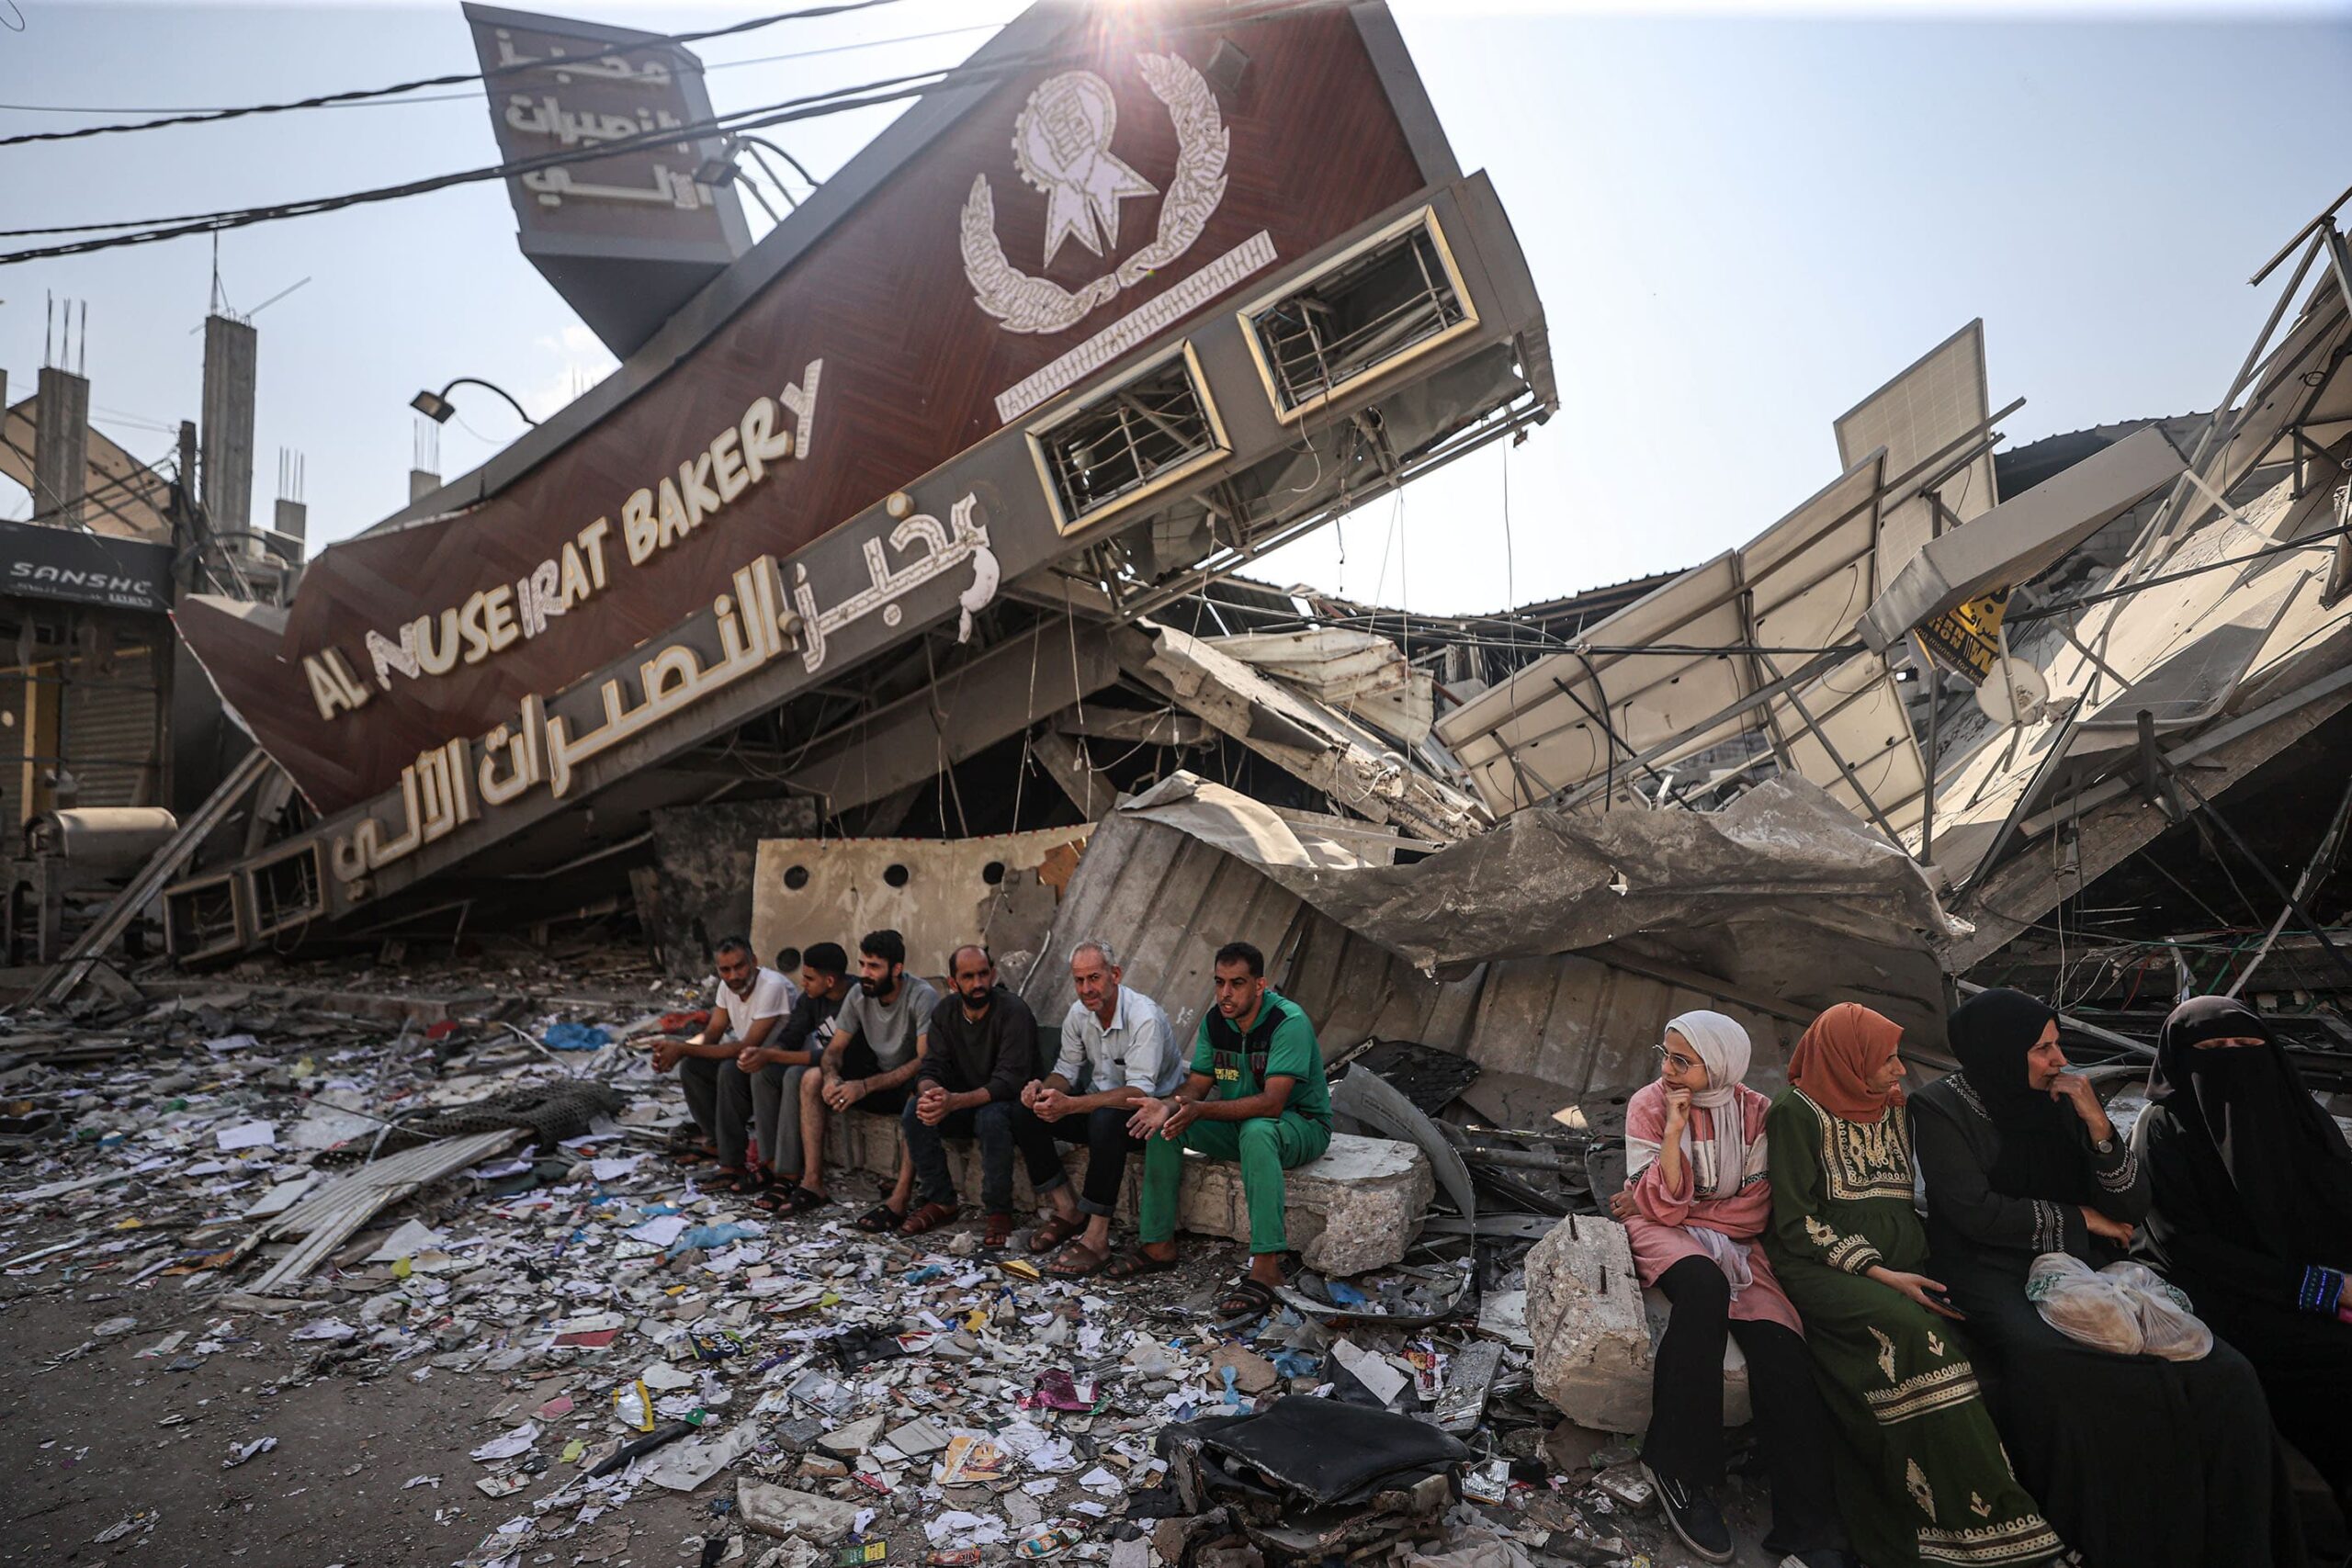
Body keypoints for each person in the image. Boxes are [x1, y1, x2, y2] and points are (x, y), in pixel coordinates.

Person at [1911, 987, 2290, 1567]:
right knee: (2064, 1366)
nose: (2059, 1061)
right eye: (2043, 1049)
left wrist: (2098, 1127)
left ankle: (2226, 1547)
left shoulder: (2066, 1099)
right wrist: (2078, 1216)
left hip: (2085, 1265)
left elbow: (2132, 1206)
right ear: (1998, 1051)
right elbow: (1972, 1210)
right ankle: (2101, 1541)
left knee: (2226, 1373)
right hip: (1991, 1268)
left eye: (2058, 1045)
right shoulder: (1942, 1106)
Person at [1763, 1002, 2062, 1568]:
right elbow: (1795, 1222)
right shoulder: (1794, 1113)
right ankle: (1992, 1527)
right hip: (1828, 1267)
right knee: (1915, 1342)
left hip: (1909, 1264)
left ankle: (1976, 1518)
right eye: (1888, 1059)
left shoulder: (1894, 1107)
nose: (1900, 1070)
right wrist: (1883, 1274)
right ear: (1849, 1060)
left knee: (1982, 1349)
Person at [1606, 1010, 1854, 1567]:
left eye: (1681, 1060)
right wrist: (1673, 1132)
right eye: (1664, 1054)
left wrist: (1670, 1200)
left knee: (1782, 1346)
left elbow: (1755, 1207)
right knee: (1702, 1291)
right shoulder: (1649, 1104)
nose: (1666, 1069)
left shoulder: (1756, 1113)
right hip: (1667, 1235)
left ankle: (1809, 1528)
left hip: (1735, 1240)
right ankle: (1676, 1466)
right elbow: (1660, 1207)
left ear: (1719, 1065)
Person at [2137, 993, 2352, 1521]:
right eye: (2212, 1048)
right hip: (2226, 1295)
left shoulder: (2298, 1115)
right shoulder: (2164, 1127)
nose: (2231, 1057)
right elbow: (2184, 1244)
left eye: (2245, 1044)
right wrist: (2320, 1288)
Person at [1110, 941, 1330, 1317]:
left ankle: (1266, 1267)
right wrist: (1165, 1107)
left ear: (1260, 985)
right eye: (1220, 982)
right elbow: (1196, 1085)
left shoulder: (1287, 1022)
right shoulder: (1215, 1021)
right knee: (1169, 1126)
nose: (1226, 993)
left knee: (1258, 1130)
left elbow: (1272, 1103)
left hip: (1300, 1126)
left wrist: (1202, 1110)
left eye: (1237, 983)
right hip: (1240, 1122)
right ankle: (1158, 1243)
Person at [1018, 940, 1182, 1279]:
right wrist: (1044, 1090)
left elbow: (1139, 1092)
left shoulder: (1143, 1016)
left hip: (1150, 1115)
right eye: (1079, 980)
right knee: (1025, 1112)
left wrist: (1073, 1104)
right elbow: (1066, 1070)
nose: (1086, 989)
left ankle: (1096, 1238)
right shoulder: (1079, 1013)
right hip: (1099, 1105)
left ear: (1115, 975)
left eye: (1094, 978)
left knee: (1105, 1122)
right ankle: (1066, 1210)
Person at [899, 945, 1053, 1247]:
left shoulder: (1013, 1011)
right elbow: (932, 1065)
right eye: (968, 977)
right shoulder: (945, 1012)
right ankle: (940, 1200)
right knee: (915, 1109)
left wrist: (953, 1101)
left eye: (983, 974)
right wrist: (932, 1094)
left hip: (1009, 1105)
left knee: (991, 1117)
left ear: (993, 974)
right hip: (962, 1102)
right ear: (953, 982)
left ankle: (998, 1210)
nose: (978, 983)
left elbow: (1008, 1082)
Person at [795, 929, 938, 1232]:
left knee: (920, 1096)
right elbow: (833, 1050)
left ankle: (899, 1200)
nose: (864, 974)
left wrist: (864, 1087)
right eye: (862, 964)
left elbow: (924, 1060)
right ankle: (812, 1183)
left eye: (874, 967)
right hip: (875, 1076)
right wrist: (832, 1078)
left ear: (896, 969)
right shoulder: (858, 994)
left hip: (908, 1079)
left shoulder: (922, 996)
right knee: (811, 1078)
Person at [648, 937, 796, 1189]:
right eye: (725, 970)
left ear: (754, 962)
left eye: (740, 967)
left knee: (730, 1067)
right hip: (751, 1062)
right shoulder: (727, 988)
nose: (734, 975)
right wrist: (675, 1051)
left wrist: (682, 1048)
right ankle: (718, 1143)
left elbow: (745, 1045)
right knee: (693, 1067)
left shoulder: (772, 986)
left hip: (781, 1063)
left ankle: (733, 1163)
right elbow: (712, 1034)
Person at [739, 942, 853, 1213]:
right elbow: (792, 1035)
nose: (804, 983)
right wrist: (767, 1054)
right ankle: (769, 1162)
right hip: (818, 1062)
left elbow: (831, 1056)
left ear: (830, 980)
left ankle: (788, 1174)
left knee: (793, 1076)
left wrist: (771, 1055)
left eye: (809, 978)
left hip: (844, 1068)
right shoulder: (812, 998)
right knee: (763, 1073)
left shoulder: (855, 998)